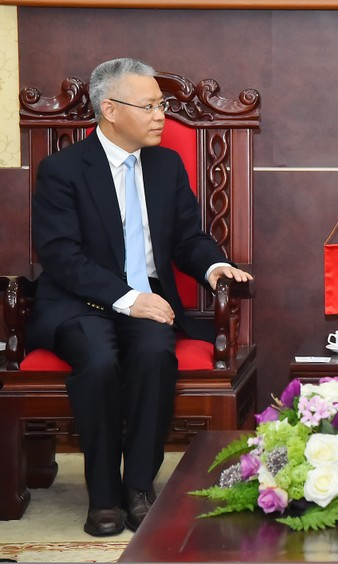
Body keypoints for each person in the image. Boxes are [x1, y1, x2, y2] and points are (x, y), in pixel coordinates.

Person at [28, 58, 253, 537]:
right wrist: (126, 298)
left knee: (154, 352)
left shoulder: (165, 166)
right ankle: (103, 495)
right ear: (110, 110)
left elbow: (188, 237)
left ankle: (138, 486)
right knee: (98, 360)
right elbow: (61, 256)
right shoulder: (62, 170)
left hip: (146, 301)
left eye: (162, 105)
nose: (160, 116)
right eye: (149, 106)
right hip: (78, 301)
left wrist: (213, 267)